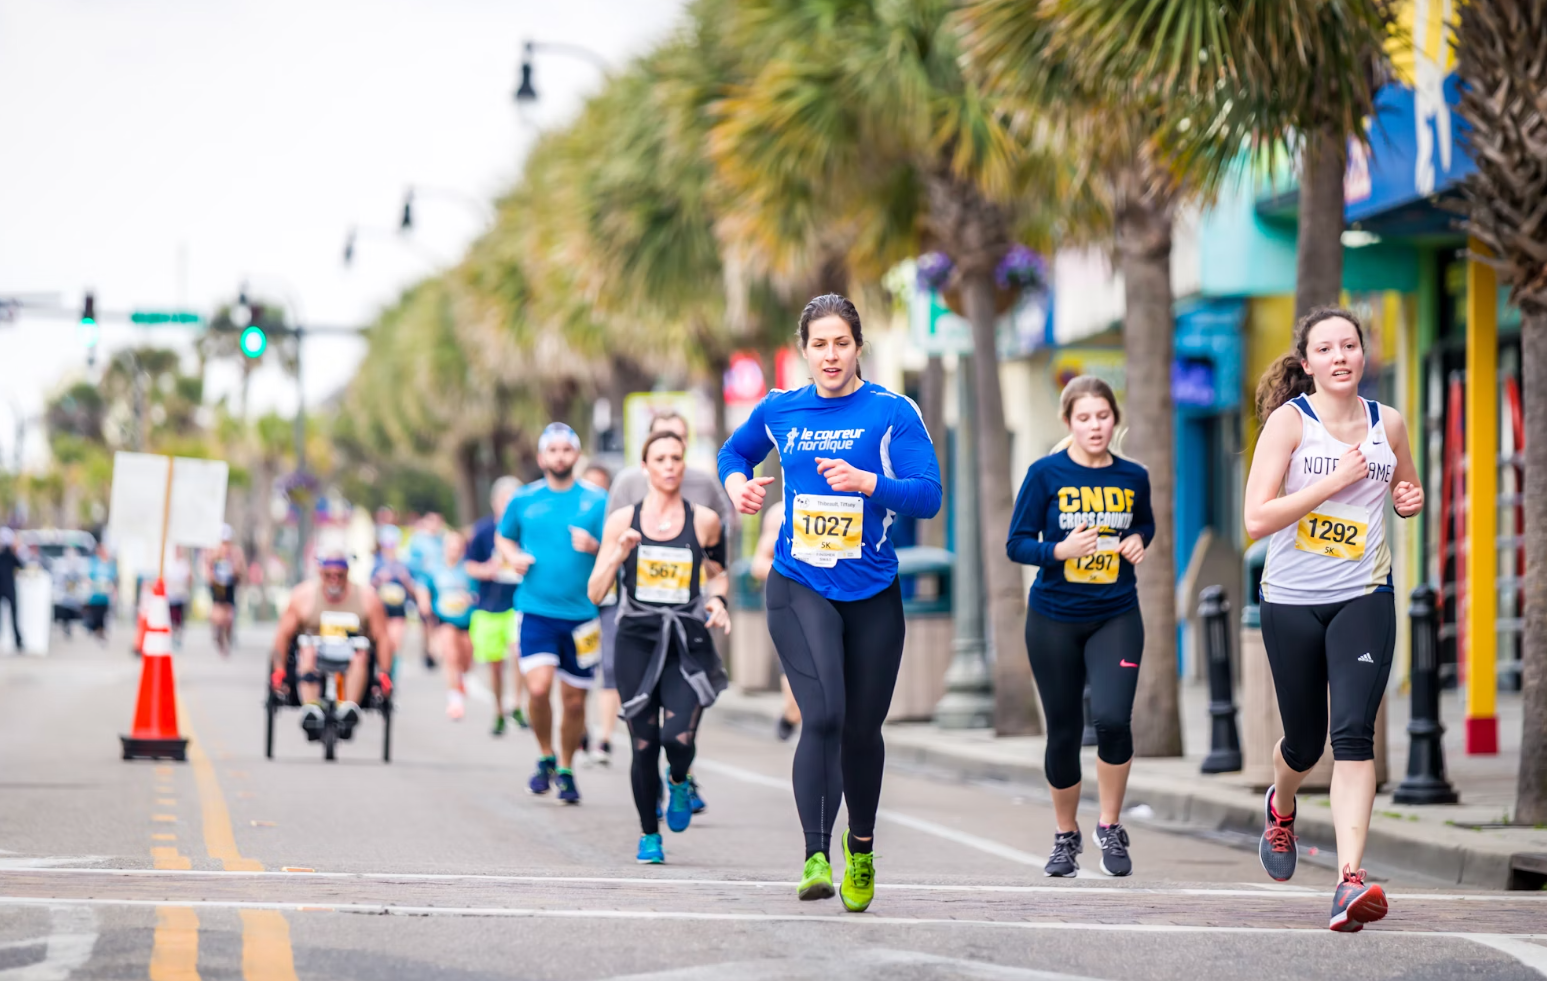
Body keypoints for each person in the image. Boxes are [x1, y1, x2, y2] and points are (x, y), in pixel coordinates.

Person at [718, 293, 941, 912]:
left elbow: (928, 495)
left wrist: (868, 482)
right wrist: (739, 486)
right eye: (820, 343)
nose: (831, 354)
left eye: (842, 342)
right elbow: (733, 453)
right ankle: (816, 855)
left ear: (859, 347)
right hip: (799, 582)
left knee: (863, 730)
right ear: (805, 350)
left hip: (872, 591)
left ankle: (861, 850)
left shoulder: (892, 412)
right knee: (823, 714)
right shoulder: (780, 409)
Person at [1244, 307, 1424, 933]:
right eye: (1327, 348)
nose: (1341, 356)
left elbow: (1404, 490)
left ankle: (1349, 880)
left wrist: (1409, 501)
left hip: (1363, 595)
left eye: (1350, 344)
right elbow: (1256, 519)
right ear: (1308, 362)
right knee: (1304, 740)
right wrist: (1330, 483)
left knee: (1352, 735)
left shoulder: (1388, 424)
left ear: (1362, 354)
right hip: (1291, 599)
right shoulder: (1290, 424)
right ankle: (1283, 803)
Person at [1006, 376, 1154, 878]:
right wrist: (1059, 551)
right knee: (1064, 732)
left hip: (1116, 613)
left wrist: (1138, 541)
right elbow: (1017, 543)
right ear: (1068, 423)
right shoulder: (1045, 474)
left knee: (1113, 718)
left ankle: (1110, 825)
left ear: (1115, 419)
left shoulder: (1133, 476)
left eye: (1103, 417)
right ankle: (1065, 835)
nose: (1095, 426)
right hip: (1053, 619)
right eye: (1084, 418)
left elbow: (1145, 523)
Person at [589, 430, 731, 863]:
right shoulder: (621, 521)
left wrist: (719, 600)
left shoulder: (704, 520)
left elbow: (719, 572)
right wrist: (618, 554)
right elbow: (595, 593)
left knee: (677, 736)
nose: (669, 465)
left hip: (686, 640)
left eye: (676, 458)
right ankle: (650, 834)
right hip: (637, 639)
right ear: (645, 467)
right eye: (660, 459)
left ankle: (680, 779)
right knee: (644, 743)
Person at [497, 422, 608, 805]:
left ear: (576, 455)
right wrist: (512, 556)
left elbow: (616, 547)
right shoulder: (524, 500)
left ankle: (565, 767)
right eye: (553, 450)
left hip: (583, 615)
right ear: (542, 457)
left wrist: (595, 546)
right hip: (536, 610)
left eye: (566, 449)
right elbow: (504, 535)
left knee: (575, 701)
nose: (560, 456)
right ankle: (545, 755)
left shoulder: (597, 500)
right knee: (539, 688)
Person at [270, 547, 394, 737]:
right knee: (306, 650)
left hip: (352, 654)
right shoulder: (303, 596)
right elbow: (283, 635)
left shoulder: (367, 598)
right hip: (314, 652)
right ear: (321, 573)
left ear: (347, 573)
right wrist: (279, 670)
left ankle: (348, 708)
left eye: (339, 575)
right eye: (329, 575)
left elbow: (383, 637)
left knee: (361, 654)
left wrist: (385, 673)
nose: (334, 579)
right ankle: (311, 708)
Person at [466, 476, 528, 735]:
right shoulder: (482, 531)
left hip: (519, 603)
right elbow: (469, 565)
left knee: (519, 652)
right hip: (490, 607)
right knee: (495, 663)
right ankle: (498, 709)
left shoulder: (526, 530)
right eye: (505, 500)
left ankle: (517, 704)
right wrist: (486, 570)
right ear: (495, 503)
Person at [751, 502, 801, 740]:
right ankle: (789, 717)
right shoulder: (781, 511)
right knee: (797, 707)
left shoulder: (854, 500)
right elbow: (758, 565)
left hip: (841, 609)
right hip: (795, 615)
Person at [419, 530, 478, 720]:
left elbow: (477, 594)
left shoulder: (468, 570)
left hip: (466, 621)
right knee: (451, 655)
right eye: (451, 546)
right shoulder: (434, 569)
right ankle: (455, 701)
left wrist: (469, 598)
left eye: (458, 547)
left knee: (466, 661)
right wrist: (424, 602)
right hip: (444, 620)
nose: (454, 550)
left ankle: (461, 678)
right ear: (444, 548)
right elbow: (423, 587)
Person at [370, 526, 419, 673]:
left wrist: (406, 580)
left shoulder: (403, 564)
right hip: (381, 610)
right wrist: (379, 579)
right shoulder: (376, 564)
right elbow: (369, 589)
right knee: (382, 644)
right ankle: (382, 673)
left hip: (398, 610)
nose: (390, 547)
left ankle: (390, 677)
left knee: (395, 644)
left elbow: (414, 590)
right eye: (387, 544)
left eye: (393, 543)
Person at [407, 512, 447, 669]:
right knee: (426, 613)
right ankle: (429, 648)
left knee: (436, 616)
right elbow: (411, 564)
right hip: (423, 582)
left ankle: (433, 646)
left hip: (439, 583)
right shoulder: (418, 541)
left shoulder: (441, 540)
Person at [206, 526, 244, 656]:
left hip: (229, 586)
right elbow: (207, 567)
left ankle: (227, 635)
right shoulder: (213, 552)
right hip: (217, 586)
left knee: (229, 615)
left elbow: (241, 570)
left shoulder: (235, 553)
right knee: (217, 613)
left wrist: (235, 568)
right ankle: (218, 633)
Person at [83, 542, 117, 642]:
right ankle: (96, 629)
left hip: (105, 594)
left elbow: (113, 577)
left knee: (103, 613)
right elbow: (89, 576)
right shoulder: (94, 562)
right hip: (95, 593)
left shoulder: (110, 564)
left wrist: (112, 586)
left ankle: (101, 630)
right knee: (95, 612)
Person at [165, 547, 192, 649]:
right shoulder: (169, 563)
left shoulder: (184, 564)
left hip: (181, 595)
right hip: (171, 595)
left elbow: (189, 578)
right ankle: (173, 637)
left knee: (180, 619)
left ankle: (178, 637)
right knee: (172, 617)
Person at [0, 528, 22, 651]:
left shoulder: (4, 556)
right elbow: (21, 566)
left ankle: (17, 640)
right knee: (14, 615)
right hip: (9, 588)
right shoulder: (11, 556)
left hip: (3, 587)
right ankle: (18, 640)